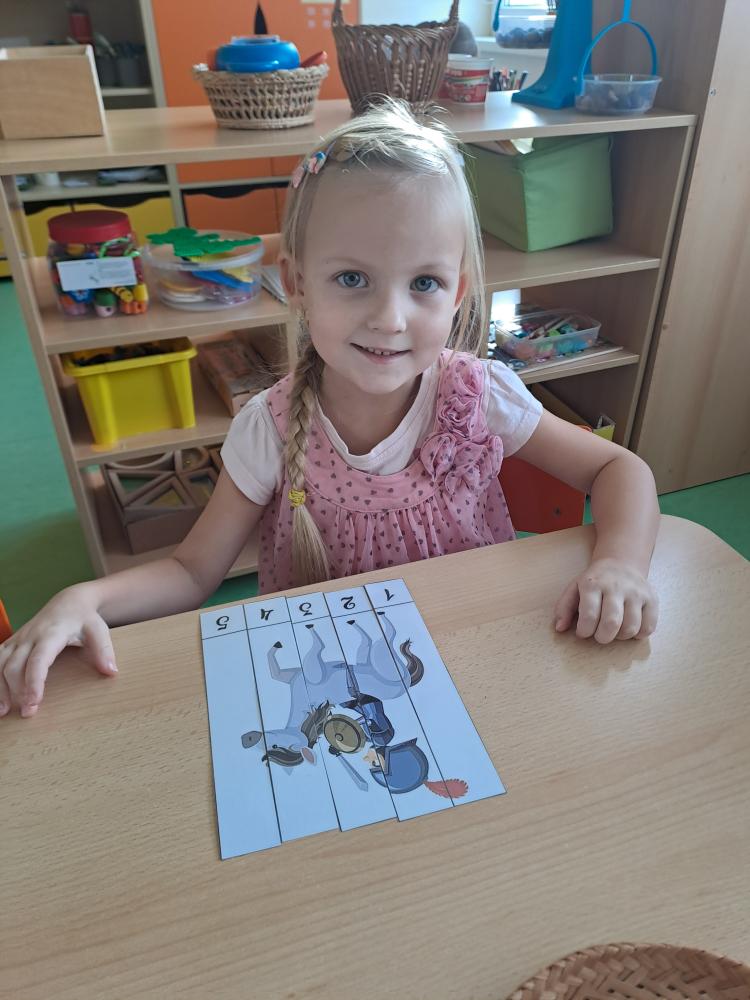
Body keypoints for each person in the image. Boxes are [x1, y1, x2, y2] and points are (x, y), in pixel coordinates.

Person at [0, 100, 660, 719]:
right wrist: (83, 596)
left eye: (424, 283)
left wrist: (621, 563)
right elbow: (190, 571)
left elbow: (619, 470)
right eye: (352, 279)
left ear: (457, 292)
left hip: (473, 657)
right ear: (296, 283)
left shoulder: (479, 395)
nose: (390, 318)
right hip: (331, 688)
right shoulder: (269, 428)